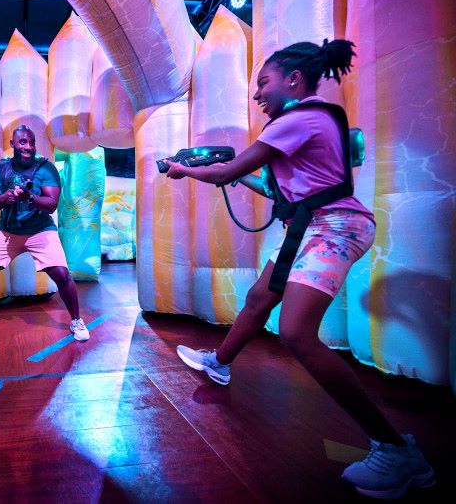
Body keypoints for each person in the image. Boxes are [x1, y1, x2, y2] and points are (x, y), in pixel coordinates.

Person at [163, 39, 435, 499]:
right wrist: (231, 170)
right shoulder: (306, 123)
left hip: (335, 226)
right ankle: (220, 363)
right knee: (259, 298)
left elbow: (229, 173)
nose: (256, 95)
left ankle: (396, 451)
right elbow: (279, 194)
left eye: (263, 83)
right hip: (310, 226)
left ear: (293, 80)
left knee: (295, 332)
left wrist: (185, 169)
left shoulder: (300, 118)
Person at [0, 125, 89, 343]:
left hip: (40, 230)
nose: (28, 147)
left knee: (61, 274)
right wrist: (5, 198)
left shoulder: (46, 169)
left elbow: (51, 205)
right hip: (8, 231)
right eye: (23, 142)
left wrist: (29, 198)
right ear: (13, 144)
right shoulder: (0, 169)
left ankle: (76, 320)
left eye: (32, 142)